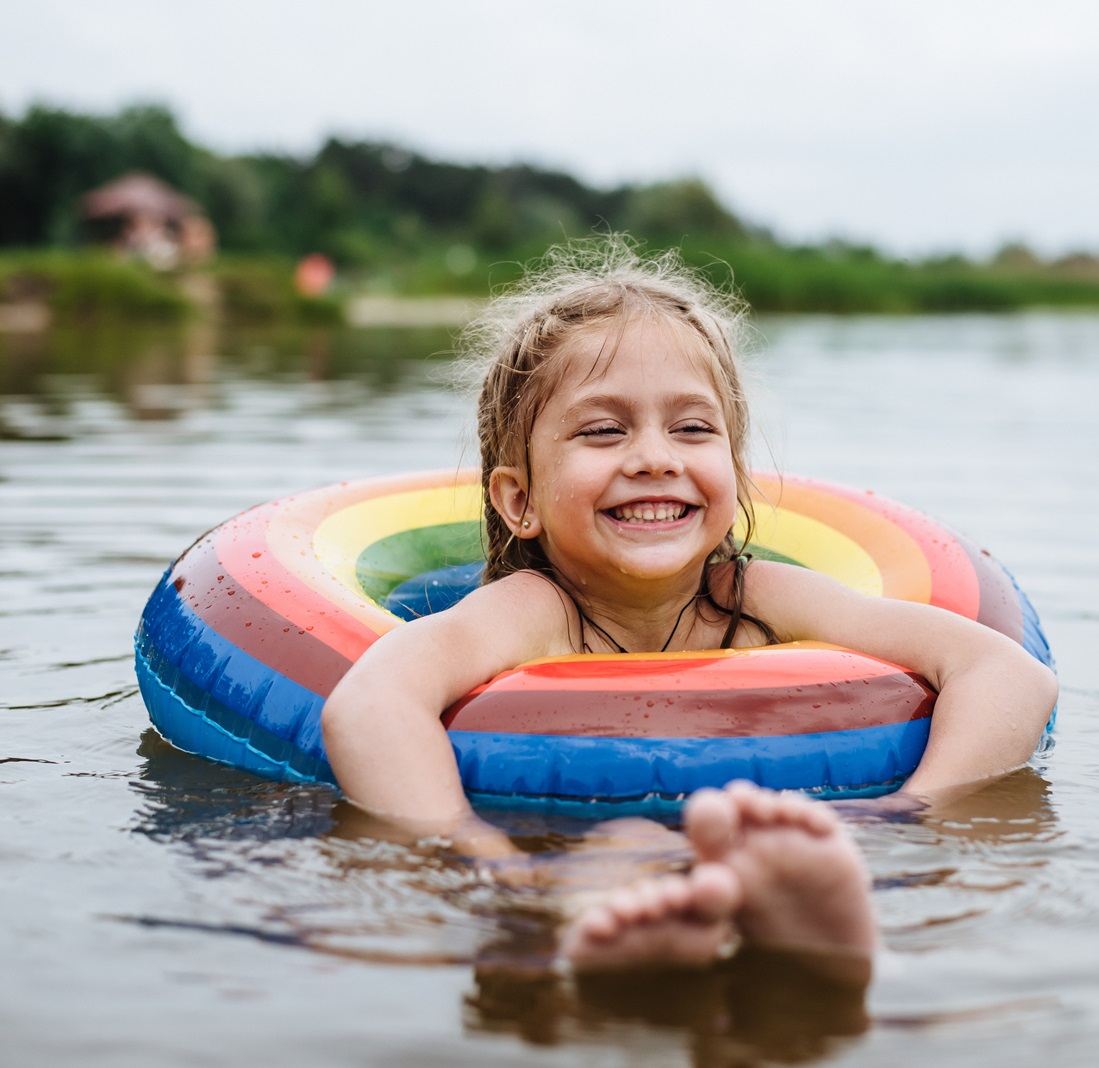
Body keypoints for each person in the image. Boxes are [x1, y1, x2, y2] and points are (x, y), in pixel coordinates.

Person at [321, 237, 1058, 975]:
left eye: (693, 428)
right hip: (563, 841)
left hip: (767, 829)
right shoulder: (530, 611)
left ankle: (800, 928)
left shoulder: (761, 598)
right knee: (626, 840)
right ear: (521, 500)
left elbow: (1007, 675)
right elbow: (372, 702)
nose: (654, 457)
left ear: (732, 476)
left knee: (757, 848)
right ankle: (623, 935)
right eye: (604, 430)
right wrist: (479, 850)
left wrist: (908, 817)